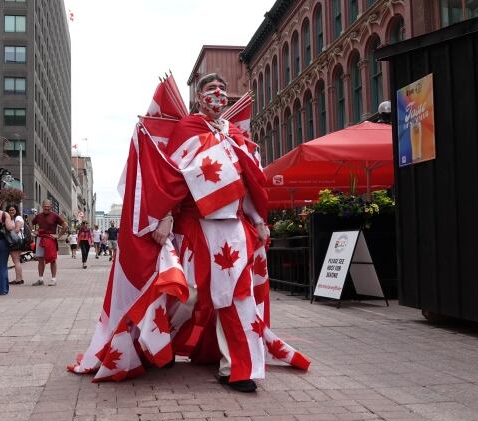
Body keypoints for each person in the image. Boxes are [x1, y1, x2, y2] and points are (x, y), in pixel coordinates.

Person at [68, 73, 309, 392]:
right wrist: (165, 215)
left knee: (237, 297)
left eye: (223, 89)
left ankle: (236, 367)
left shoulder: (234, 134)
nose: (219, 94)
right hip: (196, 227)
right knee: (185, 295)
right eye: (211, 89)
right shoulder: (189, 129)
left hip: (235, 227)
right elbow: (174, 177)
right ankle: (157, 348)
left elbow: (246, 184)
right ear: (198, 97)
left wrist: (259, 220)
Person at [31, 199, 66, 286]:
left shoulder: (55, 216)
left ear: (51, 207)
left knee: (52, 259)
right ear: (42, 206)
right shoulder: (39, 216)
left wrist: (58, 235)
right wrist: (33, 231)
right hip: (40, 238)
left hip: (50, 239)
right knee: (40, 259)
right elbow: (32, 222)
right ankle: (40, 279)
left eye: (48, 207)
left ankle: (53, 279)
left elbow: (65, 226)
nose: (46, 208)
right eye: (45, 207)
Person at [6, 204, 25, 285]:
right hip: (15, 241)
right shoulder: (11, 219)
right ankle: (20, 278)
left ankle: (18, 279)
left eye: (13, 210)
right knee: (16, 260)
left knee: (16, 260)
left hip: (16, 241)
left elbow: (17, 230)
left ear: (16, 210)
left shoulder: (18, 218)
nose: (11, 211)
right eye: (10, 210)